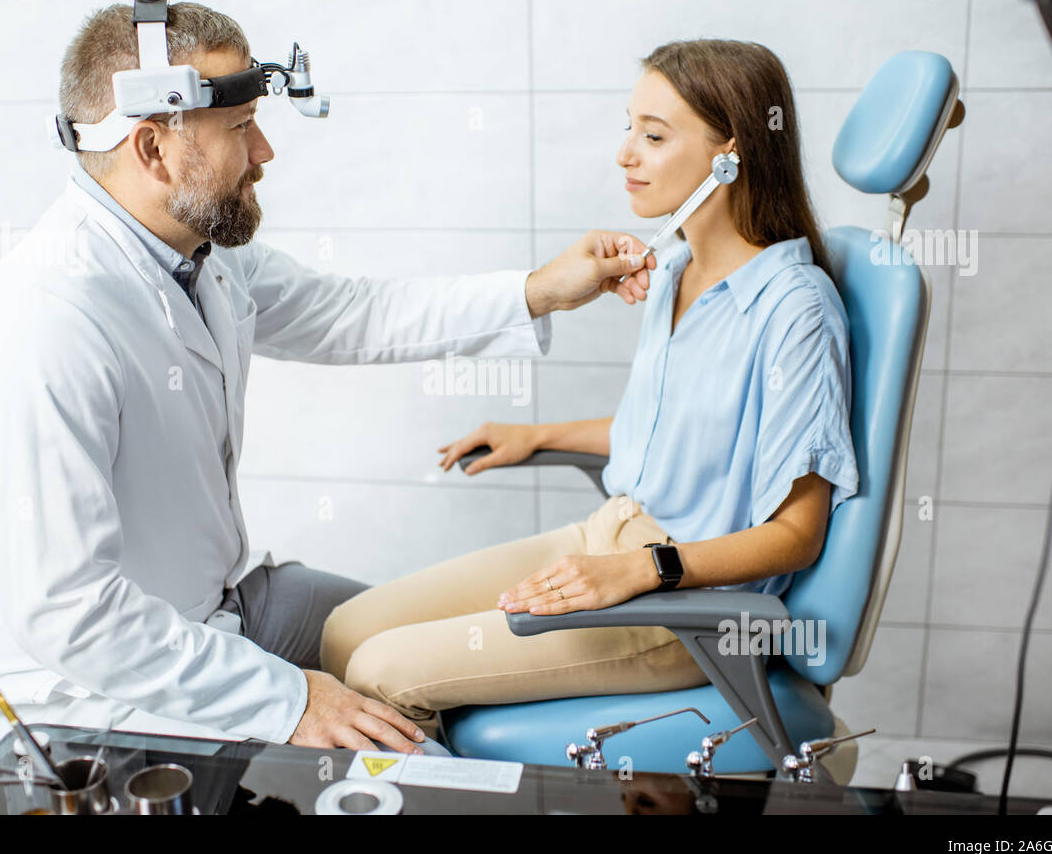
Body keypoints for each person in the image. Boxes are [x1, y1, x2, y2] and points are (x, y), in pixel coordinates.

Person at [0, 0, 658, 754]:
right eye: (240, 127)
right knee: (415, 756)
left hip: (212, 610)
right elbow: (74, 617)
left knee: (431, 656)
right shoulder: (41, 322)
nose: (264, 152)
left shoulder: (196, 256)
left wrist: (541, 288)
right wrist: (289, 699)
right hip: (91, 696)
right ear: (152, 148)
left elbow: (357, 315)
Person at [321, 39, 860, 739]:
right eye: (629, 127)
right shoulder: (673, 269)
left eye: (654, 135)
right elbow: (680, 429)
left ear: (731, 153)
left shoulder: (796, 309)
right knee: (343, 633)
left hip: (686, 603)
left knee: (382, 671)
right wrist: (539, 434)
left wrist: (647, 569)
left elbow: (796, 532)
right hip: (610, 533)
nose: (625, 154)